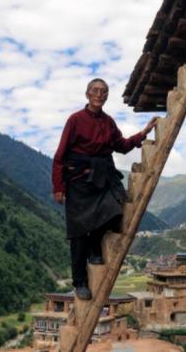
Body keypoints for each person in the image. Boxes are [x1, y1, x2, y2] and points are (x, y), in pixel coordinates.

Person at [52, 78, 157, 300]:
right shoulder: (75, 120)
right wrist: (58, 187)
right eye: (95, 90)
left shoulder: (108, 122)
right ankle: (80, 281)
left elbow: (122, 146)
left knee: (115, 210)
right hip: (79, 181)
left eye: (104, 91)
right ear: (87, 94)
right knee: (79, 233)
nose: (99, 94)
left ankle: (95, 248)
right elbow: (60, 156)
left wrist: (143, 133)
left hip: (102, 177)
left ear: (107, 96)